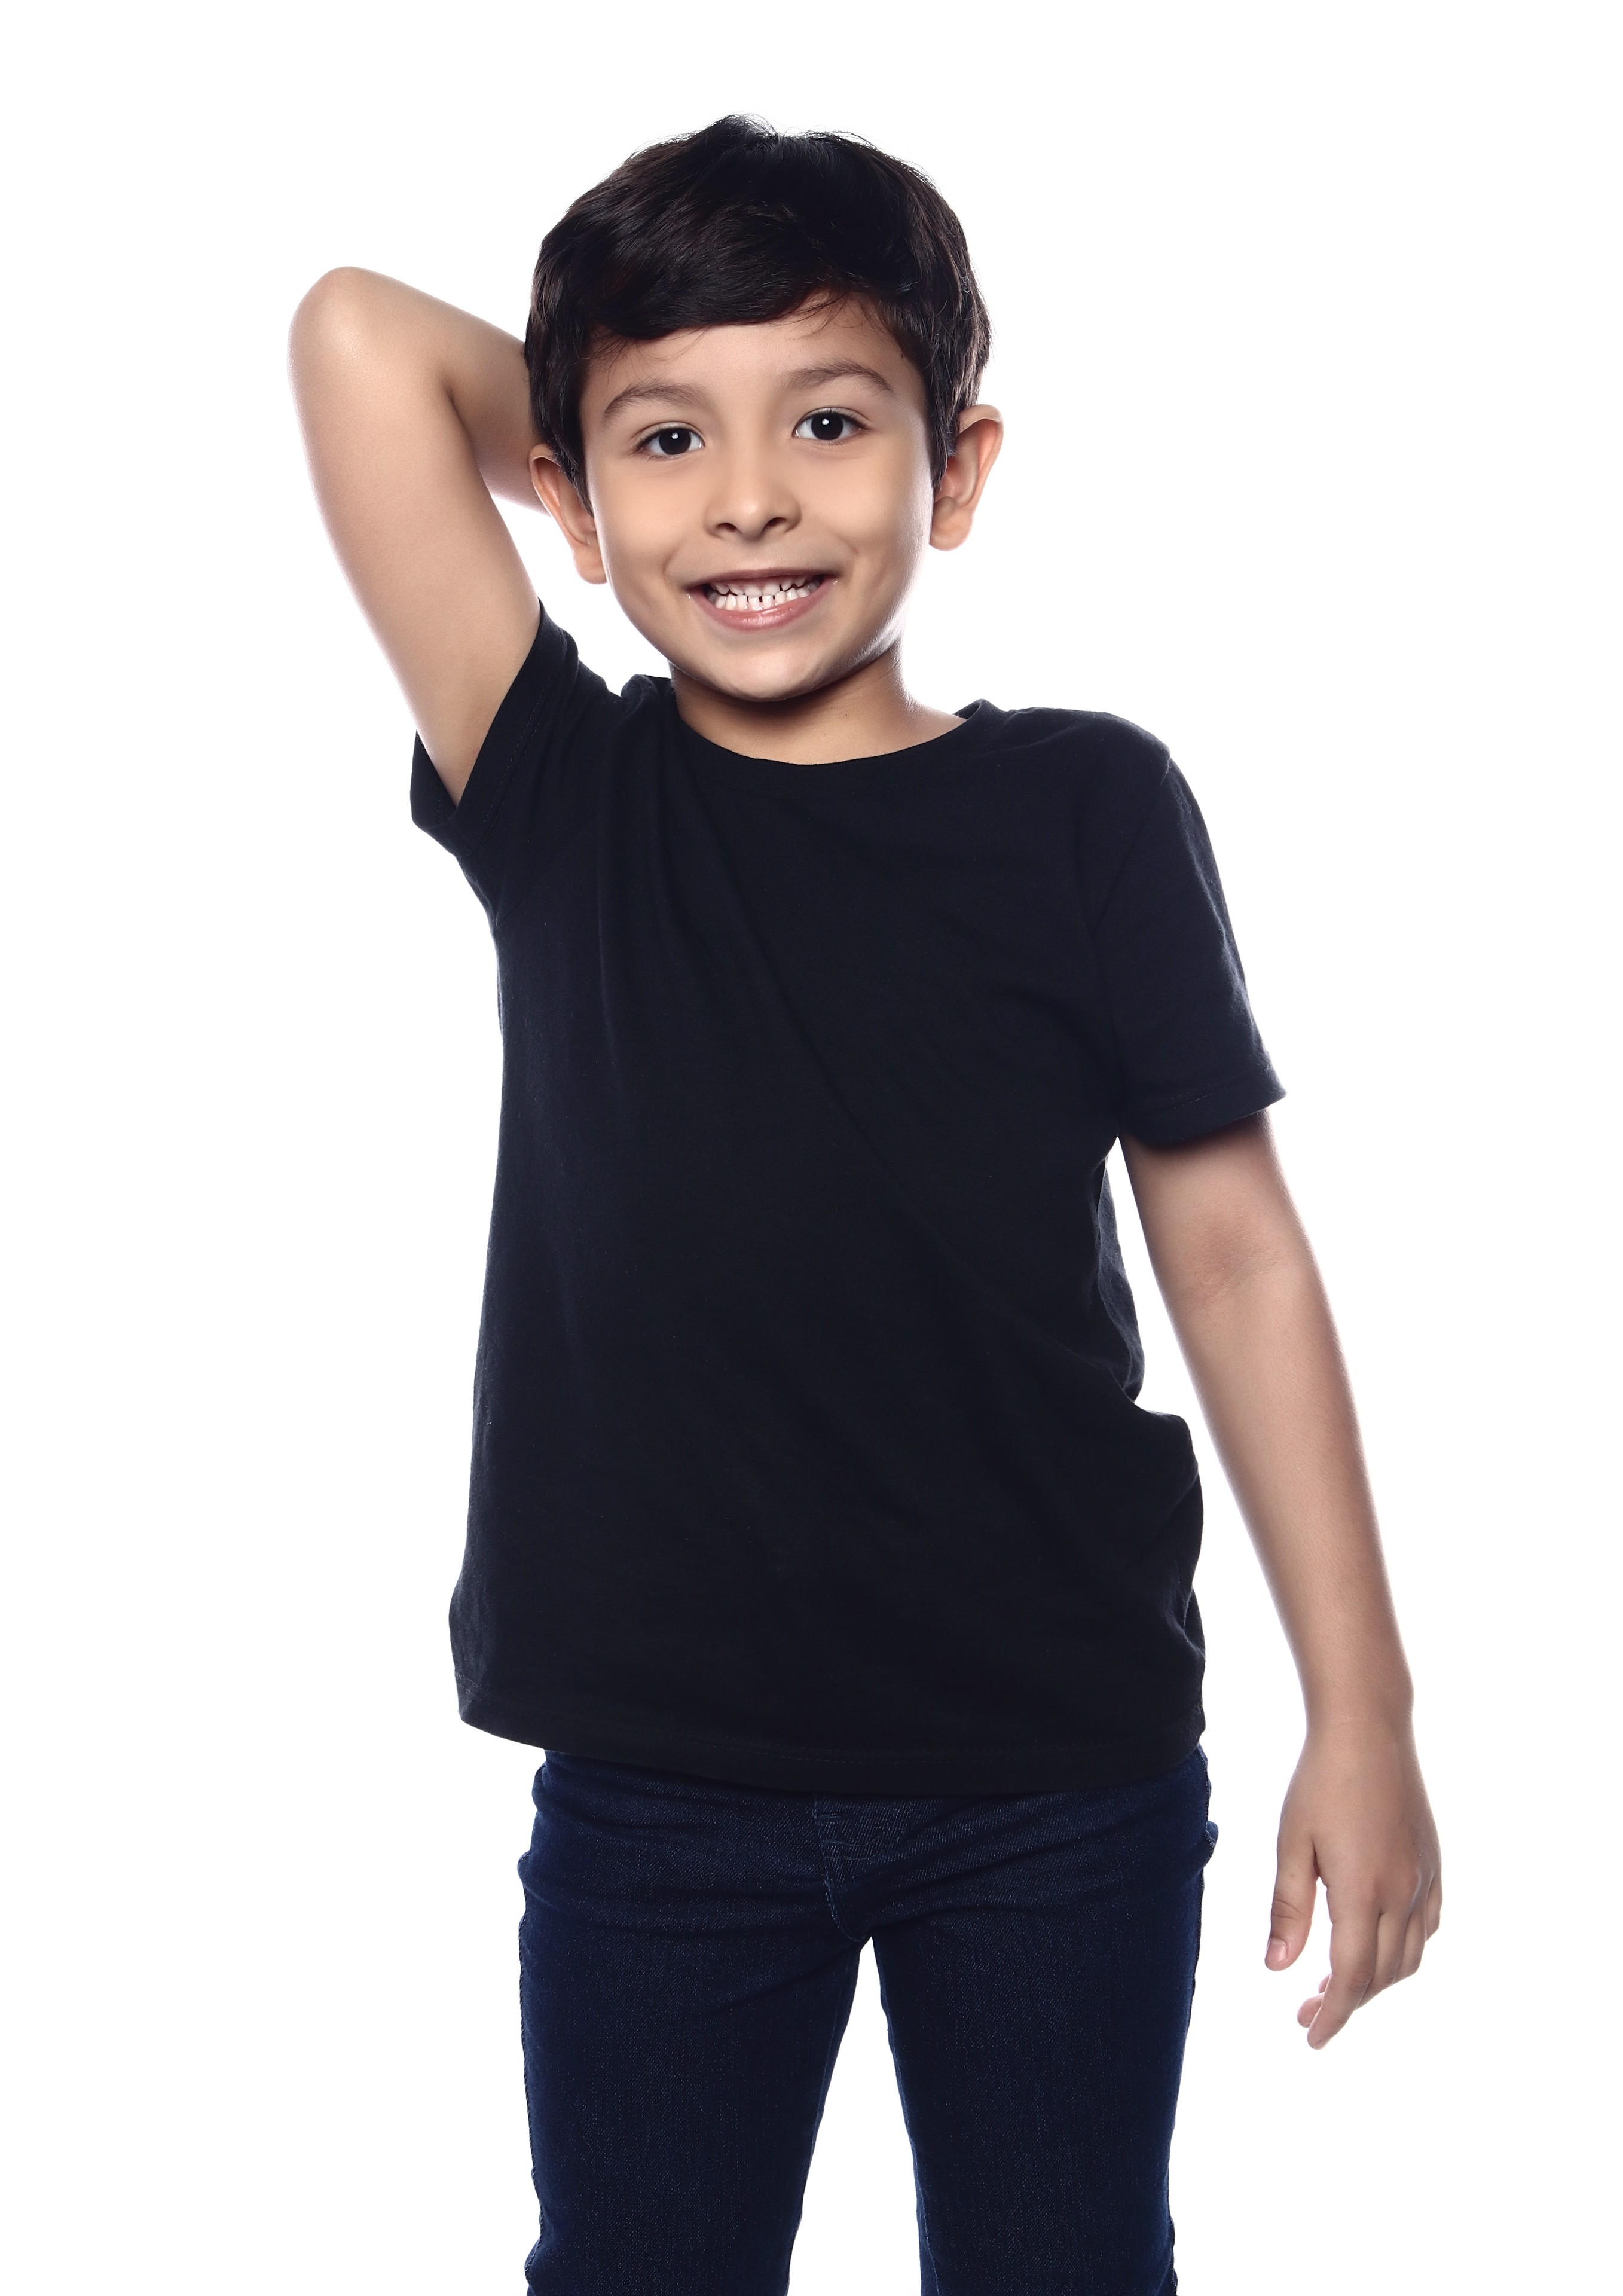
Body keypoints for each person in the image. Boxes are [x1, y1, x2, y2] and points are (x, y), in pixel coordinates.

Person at [290, 114, 1441, 2296]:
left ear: (958, 468)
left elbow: (1231, 1255)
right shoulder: (563, 787)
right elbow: (356, 338)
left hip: (1053, 1774)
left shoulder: (1087, 804)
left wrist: (1361, 1712)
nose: (746, 499)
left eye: (830, 424)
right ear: (567, 501)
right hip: (661, 1784)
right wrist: (610, 430)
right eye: (667, 442)